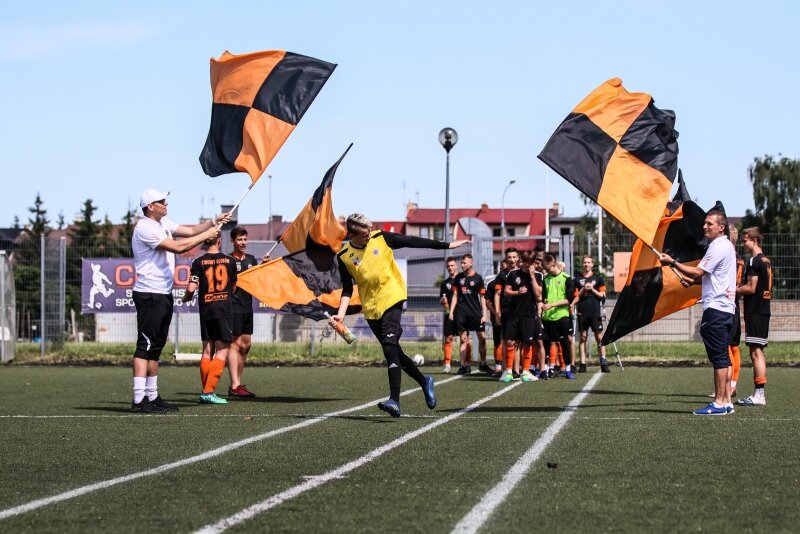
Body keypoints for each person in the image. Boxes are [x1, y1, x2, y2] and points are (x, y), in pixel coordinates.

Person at [331, 214, 469, 417]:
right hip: (371, 308)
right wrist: (340, 314)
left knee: (389, 347)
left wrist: (447, 245)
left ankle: (394, 400)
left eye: (369, 232)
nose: (369, 236)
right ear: (352, 235)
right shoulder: (344, 256)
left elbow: (413, 241)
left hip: (393, 297)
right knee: (394, 351)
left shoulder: (381, 238)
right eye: (364, 234)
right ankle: (425, 381)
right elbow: (347, 289)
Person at [130, 188, 228, 413]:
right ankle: (138, 399)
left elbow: (190, 230)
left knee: (156, 347)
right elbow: (178, 246)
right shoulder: (145, 227)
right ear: (150, 206)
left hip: (162, 293)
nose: (166, 204)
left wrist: (214, 221)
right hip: (149, 293)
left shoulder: (162, 224)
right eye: (162, 201)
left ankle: (152, 396)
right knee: (145, 346)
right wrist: (208, 234)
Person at [660, 208, 737, 415]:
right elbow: (710, 278)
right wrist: (693, 282)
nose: (704, 226)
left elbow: (698, 271)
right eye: (704, 223)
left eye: (709, 224)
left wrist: (672, 262)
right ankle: (726, 401)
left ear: (721, 227)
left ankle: (719, 403)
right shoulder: (727, 246)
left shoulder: (718, 247)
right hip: (726, 310)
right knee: (723, 357)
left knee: (719, 358)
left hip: (716, 310)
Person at [184, 234, 238, 404]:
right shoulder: (230, 261)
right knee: (223, 350)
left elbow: (191, 288)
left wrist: (185, 298)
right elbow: (234, 288)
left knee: (207, 351)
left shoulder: (198, 261)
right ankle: (208, 391)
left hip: (206, 310)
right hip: (223, 310)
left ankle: (206, 390)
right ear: (219, 241)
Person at [227, 226, 269, 398]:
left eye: (245, 239)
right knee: (234, 345)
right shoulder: (227, 260)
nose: (243, 242)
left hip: (247, 307)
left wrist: (263, 265)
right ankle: (234, 385)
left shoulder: (251, 259)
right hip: (233, 307)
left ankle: (238, 383)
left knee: (245, 345)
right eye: (239, 239)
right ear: (232, 241)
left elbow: (257, 279)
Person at [736, 227, 772, 406]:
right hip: (764, 309)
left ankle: (759, 395)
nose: (743, 244)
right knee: (758, 351)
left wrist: (732, 290)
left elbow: (751, 288)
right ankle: (759, 394)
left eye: (745, 240)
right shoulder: (766, 260)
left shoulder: (753, 261)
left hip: (755, 310)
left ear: (755, 241)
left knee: (756, 352)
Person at [500, 252, 542, 383]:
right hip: (513, 314)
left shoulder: (538, 275)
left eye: (530, 262)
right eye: (526, 261)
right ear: (521, 261)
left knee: (527, 343)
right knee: (510, 342)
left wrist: (532, 276)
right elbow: (506, 291)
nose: (528, 264)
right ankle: (508, 371)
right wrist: (517, 292)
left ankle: (525, 372)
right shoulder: (513, 274)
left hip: (529, 314)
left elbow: (538, 295)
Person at [449, 254, 490, 375]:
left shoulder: (478, 278)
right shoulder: (458, 278)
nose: (462, 265)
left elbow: (482, 297)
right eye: (461, 263)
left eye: (464, 263)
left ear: (471, 262)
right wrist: (451, 312)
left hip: (475, 312)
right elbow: (455, 295)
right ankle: (463, 366)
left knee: (482, 338)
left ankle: (483, 364)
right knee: (463, 339)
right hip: (461, 312)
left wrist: (484, 314)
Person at [541, 253, 577, 380]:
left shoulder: (567, 278)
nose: (546, 271)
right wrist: (545, 302)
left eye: (547, 268)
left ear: (553, 264)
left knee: (564, 343)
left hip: (562, 316)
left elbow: (569, 300)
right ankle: (546, 369)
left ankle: (568, 370)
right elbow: (544, 297)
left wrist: (552, 304)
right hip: (547, 317)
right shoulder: (546, 279)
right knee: (546, 343)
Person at [574, 255, 610, 373]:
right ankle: (582, 364)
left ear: (592, 264)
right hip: (582, 312)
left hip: (595, 312)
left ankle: (603, 362)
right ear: (582, 264)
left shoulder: (598, 279)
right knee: (583, 337)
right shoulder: (577, 280)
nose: (586, 264)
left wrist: (592, 289)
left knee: (599, 337)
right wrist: (584, 289)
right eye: (585, 262)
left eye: (589, 262)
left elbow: (602, 295)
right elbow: (576, 297)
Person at [485, 259, 509, 375]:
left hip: (511, 315)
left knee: (511, 341)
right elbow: (488, 302)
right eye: (501, 269)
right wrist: (496, 314)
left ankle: (511, 366)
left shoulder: (514, 280)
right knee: (498, 341)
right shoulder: (492, 283)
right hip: (497, 316)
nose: (503, 272)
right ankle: (498, 366)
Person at [439, 256, 459, 373]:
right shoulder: (444, 283)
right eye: (448, 266)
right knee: (448, 338)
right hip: (448, 314)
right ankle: (447, 364)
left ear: (456, 266)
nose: (450, 268)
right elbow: (441, 299)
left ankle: (466, 363)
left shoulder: (462, 280)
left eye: (452, 265)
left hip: (461, 313)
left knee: (464, 338)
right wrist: (443, 301)